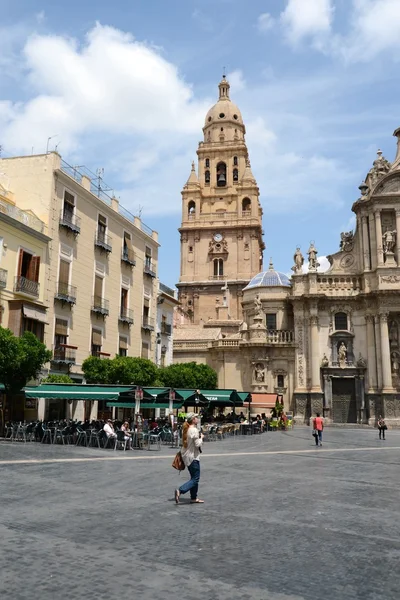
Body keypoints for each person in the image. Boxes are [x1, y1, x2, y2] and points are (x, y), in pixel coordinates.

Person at [175, 413, 204, 505]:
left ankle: (194, 497)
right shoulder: (194, 430)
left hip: (187, 456)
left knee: (193, 477)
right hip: (193, 457)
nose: (197, 418)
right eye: (196, 417)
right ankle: (180, 490)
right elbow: (197, 444)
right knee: (195, 478)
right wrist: (202, 438)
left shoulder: (186, 429)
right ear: (193, 419)